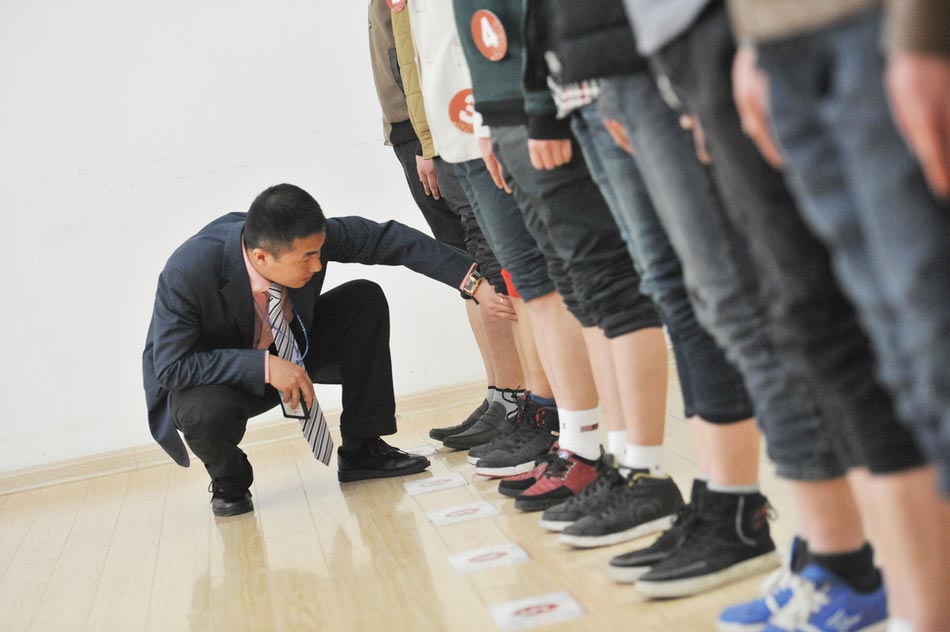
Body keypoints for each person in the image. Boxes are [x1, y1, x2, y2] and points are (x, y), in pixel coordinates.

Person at [142, 183, 502, 517]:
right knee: (198, 412)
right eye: (307, 259)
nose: (317, 266)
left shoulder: (304, 239)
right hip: (222, 380)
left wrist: (473, 282)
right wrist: (264, 366)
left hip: (294, 348)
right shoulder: (188, 271)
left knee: (363, 298)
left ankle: (363, 450)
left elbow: (388, 239)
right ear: (262, 257)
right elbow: (172, 367)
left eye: (319, 254)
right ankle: (229, 482)